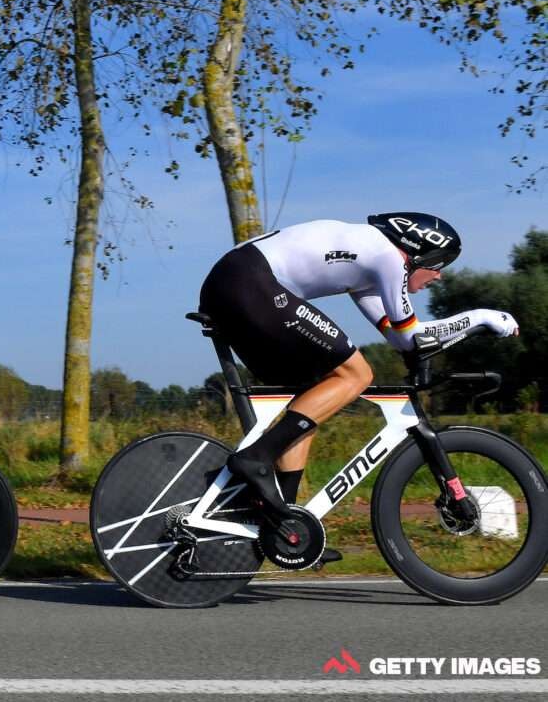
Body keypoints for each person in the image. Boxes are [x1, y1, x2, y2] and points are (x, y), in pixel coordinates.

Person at [199, 212, 518, 561]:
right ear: (417, 253)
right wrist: (483, 318)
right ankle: (257, 458)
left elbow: (402, 340)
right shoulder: (387, 258)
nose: (439, 276)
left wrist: (444, 339)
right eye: (439, 264)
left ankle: (284, 525)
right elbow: (412, 334)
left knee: (316, 396)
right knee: (357, 374)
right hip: (250, 282)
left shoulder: (368, 269)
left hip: (236, 282)